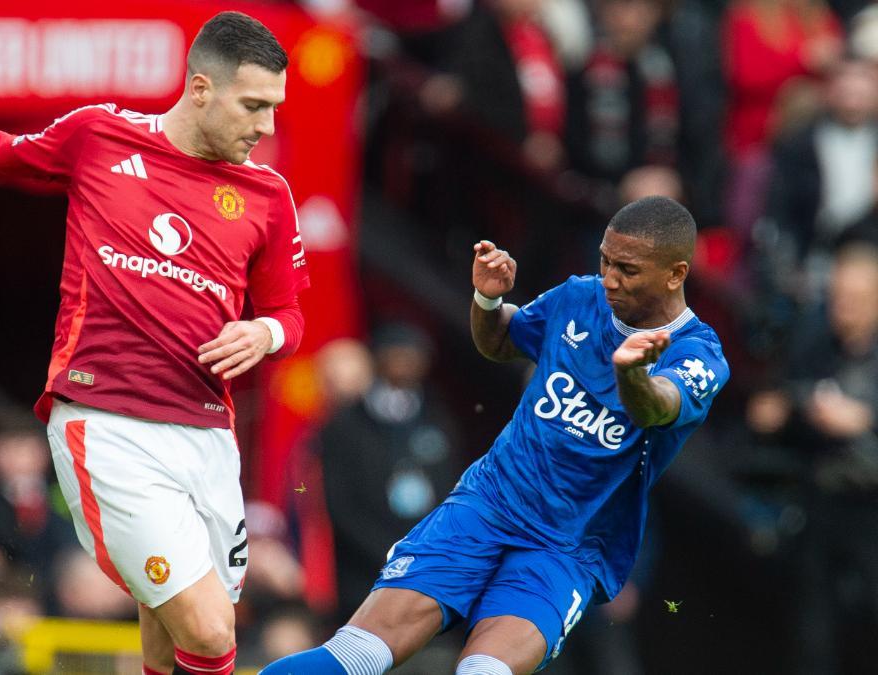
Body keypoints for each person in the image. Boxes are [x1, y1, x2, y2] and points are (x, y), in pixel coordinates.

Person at [0, 11, 309, 675]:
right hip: (107, 425)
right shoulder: (100, 136)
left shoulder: (267, 194)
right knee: (208, 626)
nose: (266, 126)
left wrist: (264, 330)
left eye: (274, 107)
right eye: (253, 105)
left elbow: (287, 312)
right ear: (200, 89)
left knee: (175, 624)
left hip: (206, 436)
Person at [262, 196, 728, 675]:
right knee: (357, 654)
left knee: (483, 671)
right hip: (485, 505)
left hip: (566, 546)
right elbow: (501, 341)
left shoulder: (698, 353)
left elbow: (658, 406)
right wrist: (487, 301)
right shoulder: (577, 297)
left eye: (627, 270)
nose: (609, 279)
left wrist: (630, 373)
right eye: (605, 261)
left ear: (675, 273)